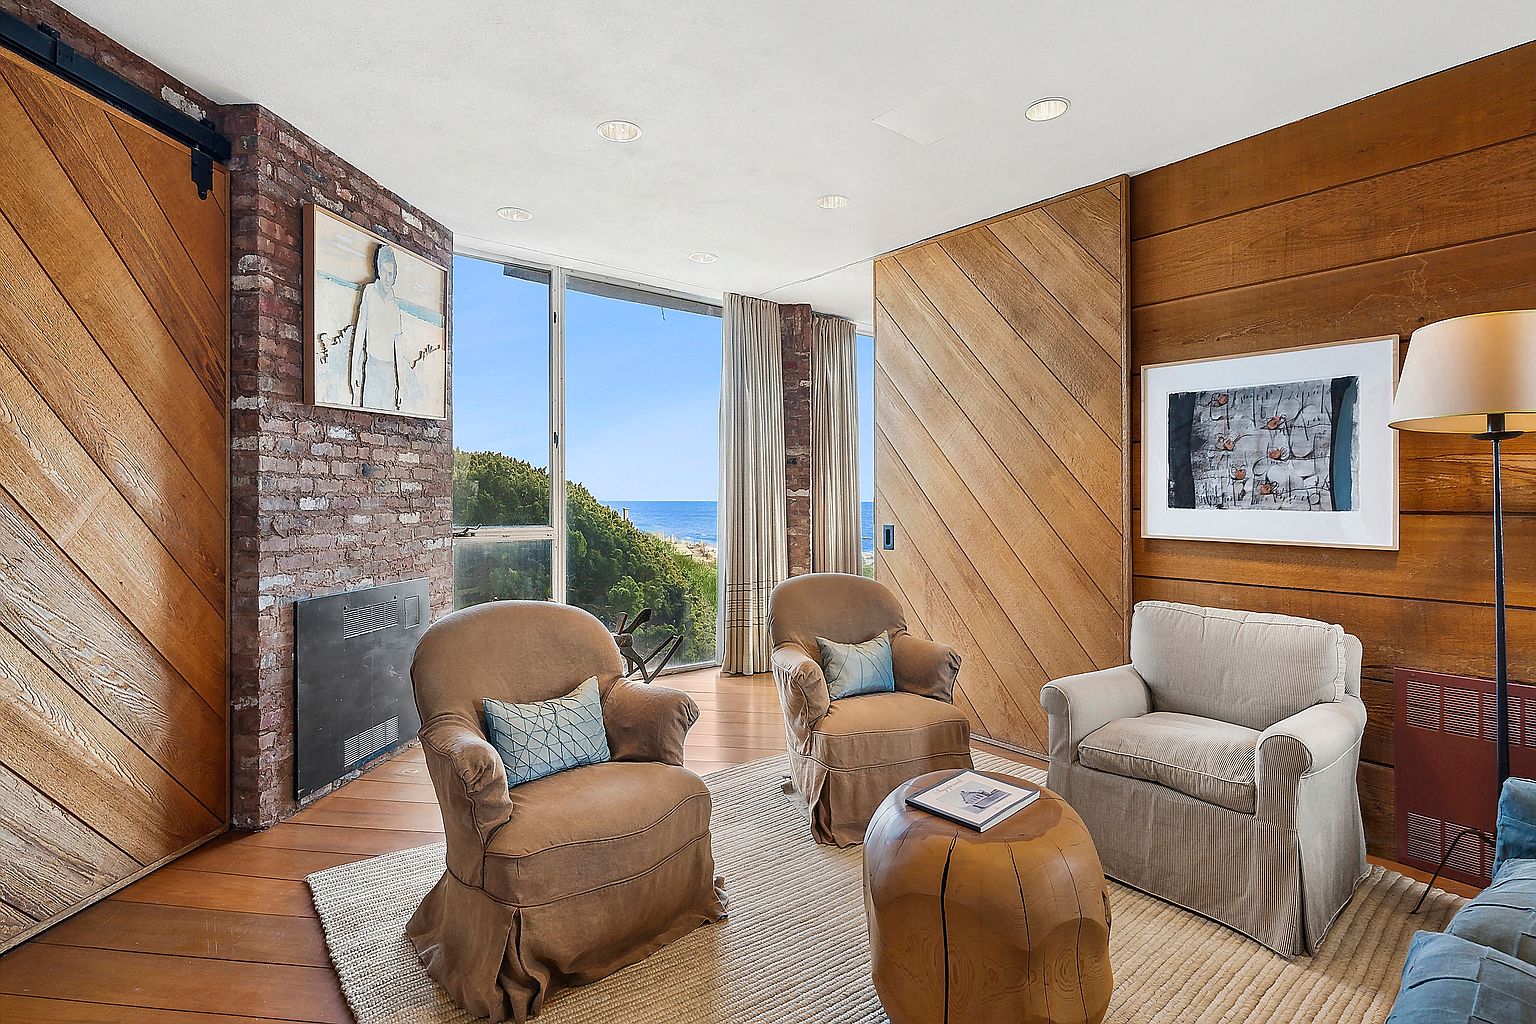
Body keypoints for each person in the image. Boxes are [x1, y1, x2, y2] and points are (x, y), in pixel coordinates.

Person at [349, 243, 406, 410]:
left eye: (392, 273)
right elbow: (360, 332)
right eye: (386, 272)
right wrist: (354, 371)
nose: (390, 278)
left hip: (389, 372)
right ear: (379, 270)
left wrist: (400, 385)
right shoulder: (369, 293)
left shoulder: (395, 308)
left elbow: (399, 349)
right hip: (372, 367)